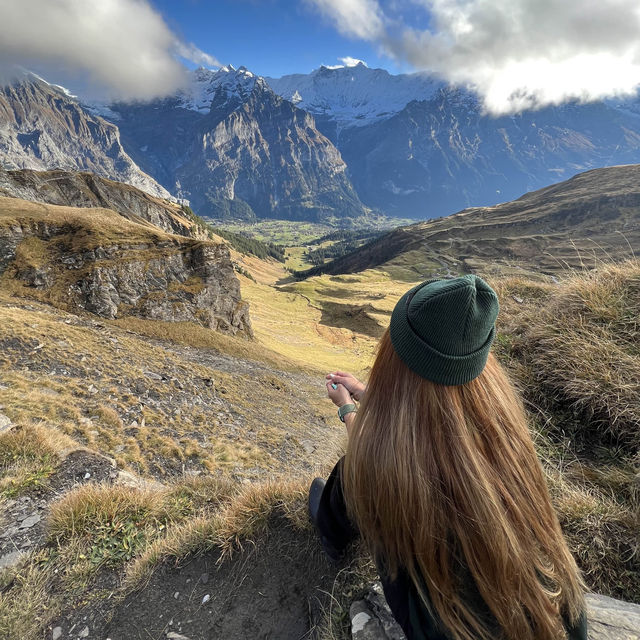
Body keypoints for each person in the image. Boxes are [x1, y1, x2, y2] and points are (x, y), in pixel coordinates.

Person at [308, 275, 587, 640]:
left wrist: (347, 408)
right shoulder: (506, 439)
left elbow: (372, 460)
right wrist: (372, 396)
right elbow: (438, 407)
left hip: (441, 627)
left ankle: (329, 533)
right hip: (552, 618)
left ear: (396, 363)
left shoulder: (386, 469)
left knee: (350, 477)